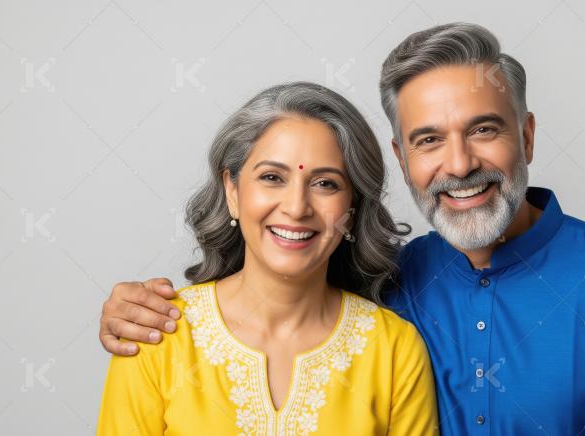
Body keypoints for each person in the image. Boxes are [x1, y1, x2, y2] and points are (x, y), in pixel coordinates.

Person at [99, 23, 585, 435]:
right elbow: (281, 283)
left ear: (526, 134)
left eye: (484, 129)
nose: (458, 165)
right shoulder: (389, 280)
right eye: (429, 140)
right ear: (401, 159)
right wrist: (131, 308)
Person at [96, 82, 438, 435]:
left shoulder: (394, 349)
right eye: (272, 177)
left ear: (351, 210)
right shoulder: (157, 333)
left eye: (325, 184)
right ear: (232, 191)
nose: (296, 207)